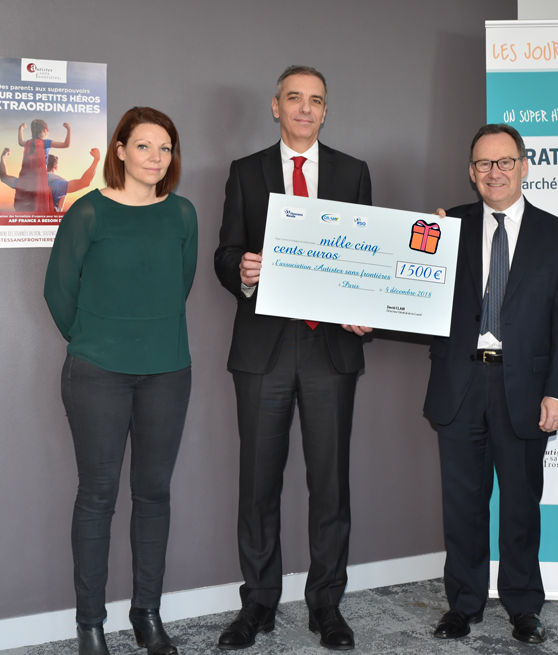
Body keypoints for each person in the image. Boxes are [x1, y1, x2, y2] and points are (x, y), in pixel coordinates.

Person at [213, 65, 372, 651]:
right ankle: (257, 603)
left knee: (330, 485)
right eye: (295, 99)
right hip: (265, 349)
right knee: (258, 485)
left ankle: (327, 605)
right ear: (275, 106)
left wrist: (367, 305)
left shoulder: (353, 172)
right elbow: (224, 252)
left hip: (331, 348)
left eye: (317, 101)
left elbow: (364, 259)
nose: (306, 109)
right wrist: (243, 272)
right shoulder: (245, 172)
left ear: (326, 111)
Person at [44, 107, 197, 655]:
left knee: (154, 494)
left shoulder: (182, 213)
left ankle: (147, 615)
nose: (156, 158)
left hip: (167, 372)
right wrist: (97, 339)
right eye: (144, 147)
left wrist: (145, 335)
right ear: (120, 150)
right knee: (97, 497)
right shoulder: (87, 212)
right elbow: (59, 291)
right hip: (97, 374)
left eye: (165, 149)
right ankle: (90, 625)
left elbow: (178, 286)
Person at [424, 123, 558, 644]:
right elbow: (412, 298)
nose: (494, 172)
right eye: (483, 164)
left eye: (505, 162)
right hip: (460, 382)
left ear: (524, 166)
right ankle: (463, 605)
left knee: (520, 504)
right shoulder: (445, 226)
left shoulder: (557, 234)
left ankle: (522, 605)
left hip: (524, 389)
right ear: (471, 172)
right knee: (462, 505)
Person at [0, 147, 101, 211]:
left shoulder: (27, 182)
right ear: (55, 167)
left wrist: (3, 158)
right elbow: (84, 182)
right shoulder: (59, 185)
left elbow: (4, 177)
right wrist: (96, 160)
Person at [14, 119, 71, 212]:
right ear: (45, 130)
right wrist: (69, 129)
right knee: (64, 184)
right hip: (42, 175)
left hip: (28, 176)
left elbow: (20, 142)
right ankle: (58, 208)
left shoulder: (28, 143)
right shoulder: (46, 142)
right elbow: (66, 144)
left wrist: (20, 129)